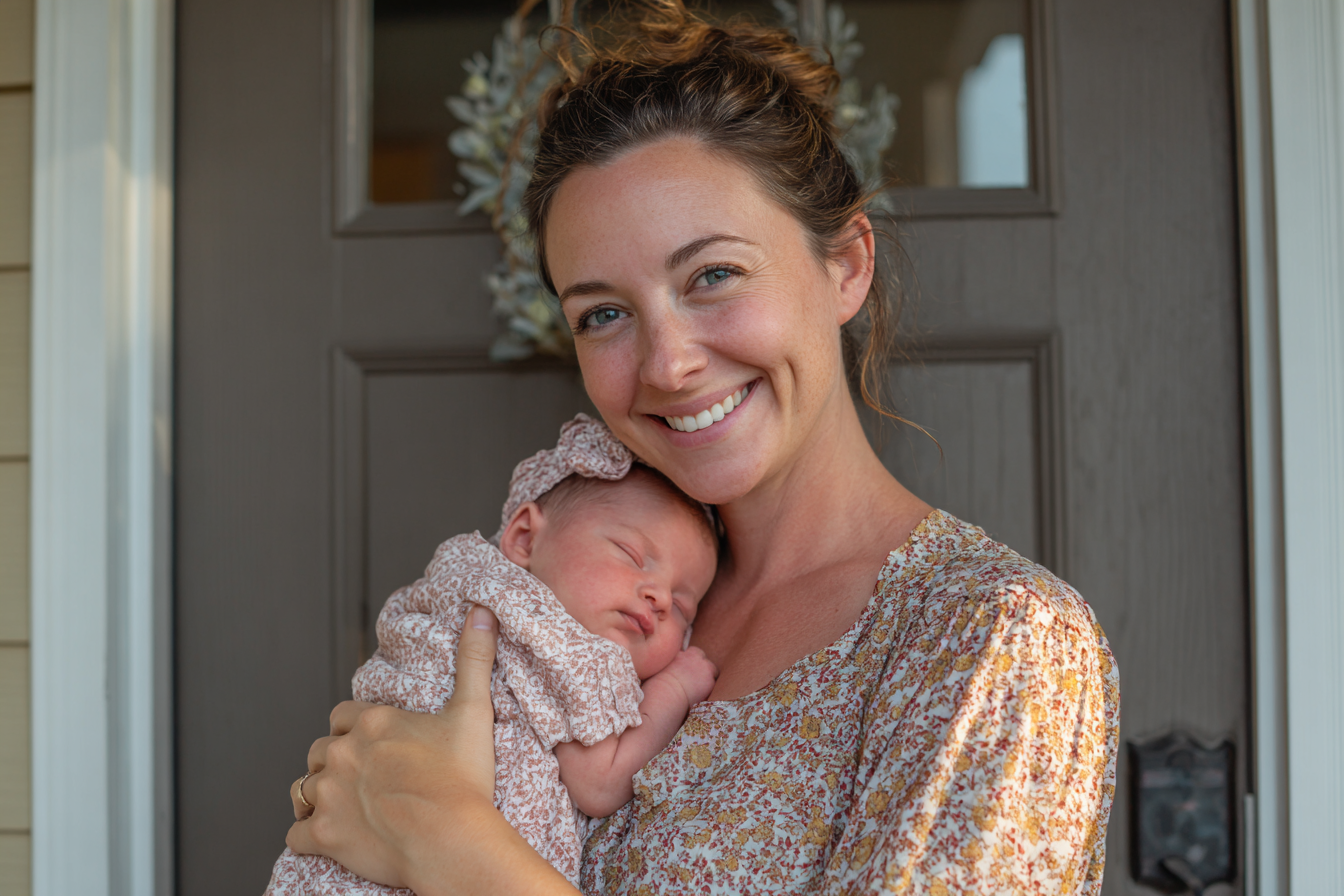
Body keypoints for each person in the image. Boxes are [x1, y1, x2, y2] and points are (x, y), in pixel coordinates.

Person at [284, 4, 1120, 893]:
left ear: (846, 265)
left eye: (712, 275)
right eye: (604, 314)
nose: (669, 364)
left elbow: (440, 832)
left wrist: (447, 840)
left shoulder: (994, 641)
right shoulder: (574, 599)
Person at [267, 415, 720, 892]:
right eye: (631, 554)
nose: (660, 598)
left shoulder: (468, 585)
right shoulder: (553, 635)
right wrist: (674, 685)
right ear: (524, 538)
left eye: (684, 608)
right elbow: (601, 780)